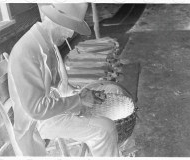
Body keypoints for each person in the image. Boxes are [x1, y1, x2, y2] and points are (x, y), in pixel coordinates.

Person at [7, 3, 119, 157]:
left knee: (113, 90)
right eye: (70, 28)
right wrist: (78, 100)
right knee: (106, 129)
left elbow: (57, 86)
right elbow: (36, 110)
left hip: (57, 106)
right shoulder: (26, 51)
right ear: (56, 21)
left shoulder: (47, 42)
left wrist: (77, 92)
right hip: (41, 121)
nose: (70, 34)